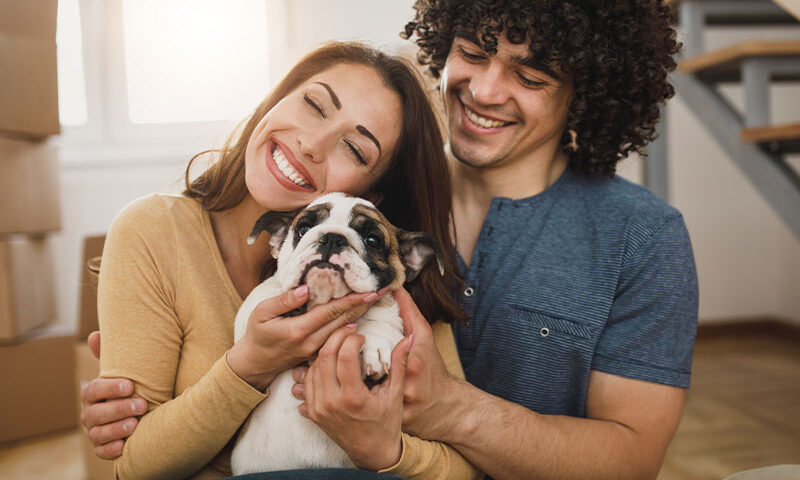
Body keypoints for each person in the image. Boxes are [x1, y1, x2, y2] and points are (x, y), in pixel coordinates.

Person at [84, 0, 700, 478]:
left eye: (531, 76)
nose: (485, 91)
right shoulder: (375, 211)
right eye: (472, 53)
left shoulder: (642, 238)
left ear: (589, 89)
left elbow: (633, 459)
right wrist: (158, 393)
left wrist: (448, 411)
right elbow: (142, 450)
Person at [86, 41, 480, 480]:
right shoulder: (153, 230)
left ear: (371, 196)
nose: (311, 144)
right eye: (314, 105)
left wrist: (384, 449)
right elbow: (135, 467)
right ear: (276, 97)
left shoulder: (393, 281)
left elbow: (462, 466)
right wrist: (251, 366)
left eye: (354, 150)